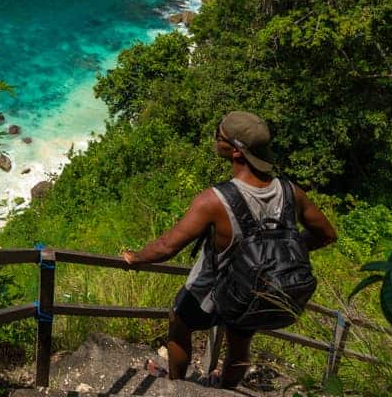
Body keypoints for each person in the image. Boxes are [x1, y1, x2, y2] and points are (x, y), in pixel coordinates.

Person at [120, 111, 337, 387]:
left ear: (236, 151)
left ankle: (177, 387)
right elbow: (326, 234)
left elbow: (167, 245)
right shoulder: (290, 191)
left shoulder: (215, 200)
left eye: (218, 135)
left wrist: (136, 257)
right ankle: (224, 390)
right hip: (258, 290)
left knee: (179, 324)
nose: (215, 138)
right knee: (239, 344)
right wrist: (280, 253)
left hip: (212, 291)